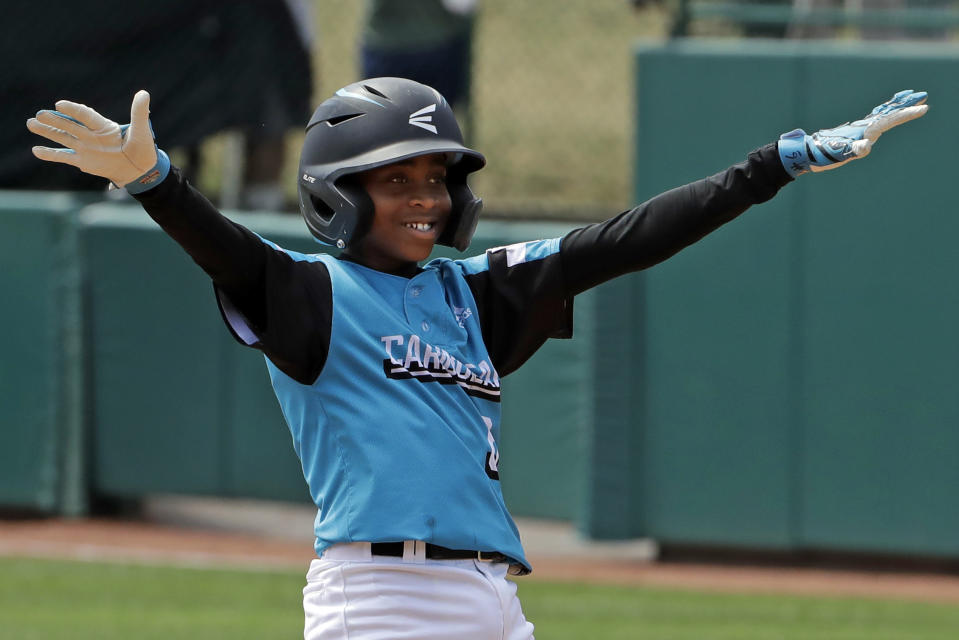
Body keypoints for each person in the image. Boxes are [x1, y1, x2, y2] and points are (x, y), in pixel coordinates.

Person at [26, 78, 927, 639]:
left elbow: (622, 240)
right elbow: (224, 249)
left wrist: (773, 163)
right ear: (335, 196)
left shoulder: (474, 294)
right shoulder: (308, 295)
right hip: (384, 599)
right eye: (396, 179)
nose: (426, 197)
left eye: (436, 179)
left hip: (492, 598)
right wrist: (156, 183)